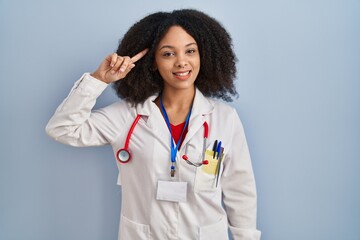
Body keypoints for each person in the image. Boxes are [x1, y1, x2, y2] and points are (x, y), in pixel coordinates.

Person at [46, 9, 261, 240]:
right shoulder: (127, 116)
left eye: (190, 51)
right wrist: (98, 79)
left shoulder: (224, 118)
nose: (181, 62)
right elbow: (61, 128)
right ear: (153, 62)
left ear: (203, 56)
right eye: (168, 54)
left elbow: (240, 190)